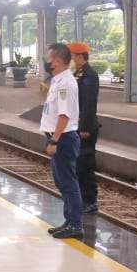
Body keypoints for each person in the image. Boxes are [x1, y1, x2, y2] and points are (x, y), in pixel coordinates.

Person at [39, 42, 84, 241]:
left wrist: (54, 141)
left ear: (56, 61)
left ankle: (75, 224)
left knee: (68, 182)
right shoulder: (58, 80)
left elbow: (64, 116)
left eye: (48, 59)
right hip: (58, 137)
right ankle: (69, 221)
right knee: (62, 181)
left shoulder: (65, 83)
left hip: (63, 138)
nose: (45, 62)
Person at [70, 42, 101, 217]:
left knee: (85, 165)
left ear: (81, 57)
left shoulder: (90, 75)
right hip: (75, 126)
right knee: (77, 164)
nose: (71, 59)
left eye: (73, 56)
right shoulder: (77, 74)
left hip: (85, 129)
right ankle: (81, 197)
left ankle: (90, 201)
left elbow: (89, 105)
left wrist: (84, 128)